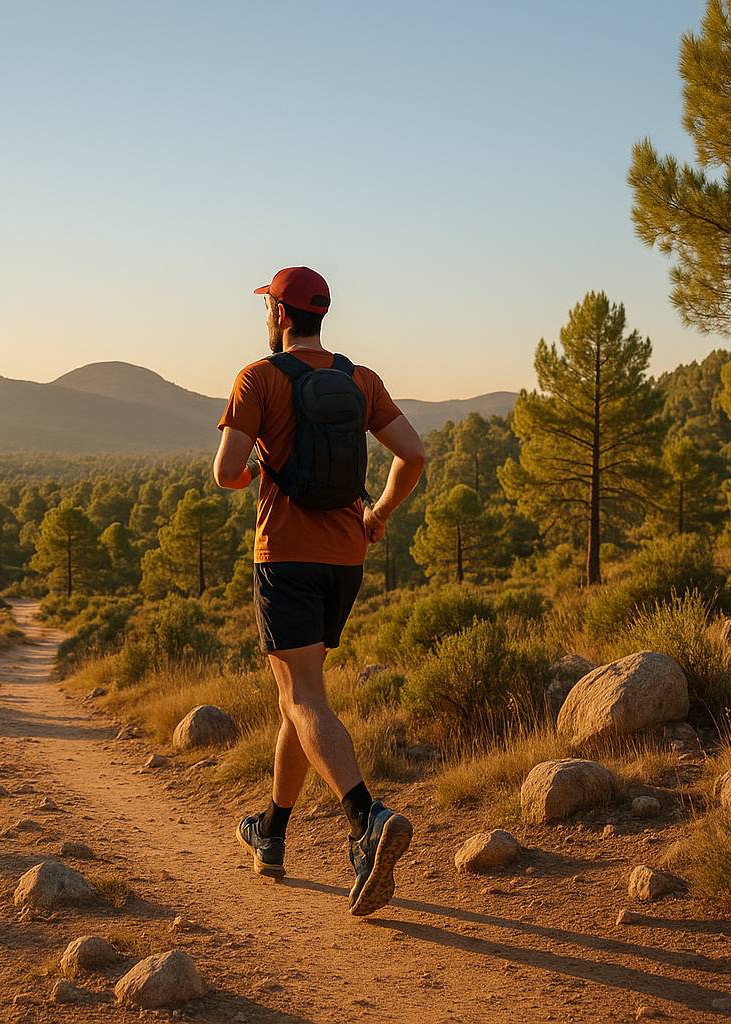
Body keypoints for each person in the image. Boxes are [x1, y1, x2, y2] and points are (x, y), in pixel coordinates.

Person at [214, 266, 425, 916]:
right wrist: (378, 515)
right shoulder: (361, 379)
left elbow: (226, 473)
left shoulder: (258, 378)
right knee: (299, 702)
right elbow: (413, 455)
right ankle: (272, 833)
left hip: (285, 556)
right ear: (320, 314)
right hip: (344, 559)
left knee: (303, 698)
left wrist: (254, 468)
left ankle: (366, 819)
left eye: (268, 309)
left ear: (280, 315)